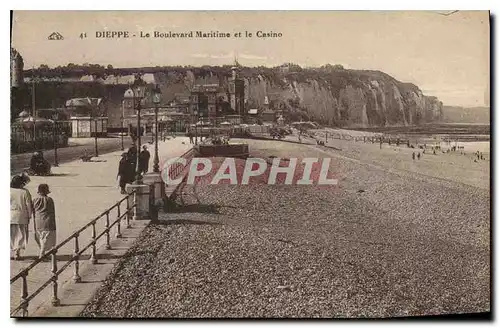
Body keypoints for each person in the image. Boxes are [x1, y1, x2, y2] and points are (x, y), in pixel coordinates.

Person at [10, 175, 33, 260]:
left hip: (10, 215)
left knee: (11, 235)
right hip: (21, 216)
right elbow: (28, 205)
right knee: (20, 235)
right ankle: (17, 252)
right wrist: (29, 215)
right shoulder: (25, 192)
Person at [33, 184, 57, 259]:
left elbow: (33, 210)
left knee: (40, 237)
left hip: (38, 221)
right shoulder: (49, 199)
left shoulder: (35, 200)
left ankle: (42, 251)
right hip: (48, 221)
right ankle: (42, 253)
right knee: (46, 238)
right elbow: (52, 211)